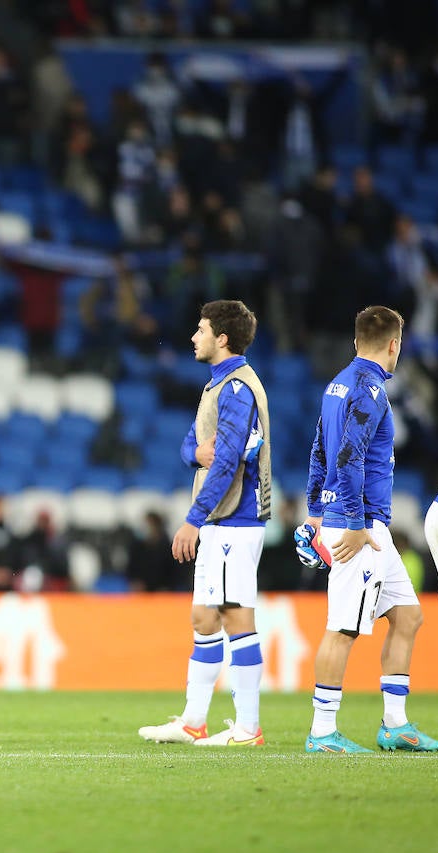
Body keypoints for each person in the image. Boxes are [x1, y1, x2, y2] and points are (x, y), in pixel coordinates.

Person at [298, 306, 438, 753]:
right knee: (343, 628)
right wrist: (355, 523)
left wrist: (313, 509)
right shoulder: (370, 390)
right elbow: (348, 456)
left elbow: (320, 448)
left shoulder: (338, 384)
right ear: (394, 345)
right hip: (358, 526)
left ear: (356, 339)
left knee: (407, 616)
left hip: (359, 523)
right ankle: (322, 732)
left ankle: (395, 725)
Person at [139, 299, 272, 747]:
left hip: (234, 517)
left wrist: (193, 520)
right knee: (203, 617)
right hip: (221, 518)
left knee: (235, 617)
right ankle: (194, 721)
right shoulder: (217, 386)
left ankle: (248, 727)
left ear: (222, 338)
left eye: (200, 330)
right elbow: (190, 446)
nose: (193, 338)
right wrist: (196, 452)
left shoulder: (238, 389)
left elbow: (228, 459)